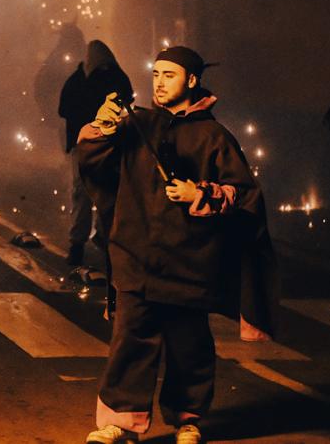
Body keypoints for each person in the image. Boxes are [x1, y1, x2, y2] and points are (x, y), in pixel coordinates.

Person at [78, 46, 277, 444]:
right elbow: (93, 163)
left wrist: (198, 193)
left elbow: (245, 195)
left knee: (189, 345)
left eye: (169, 75)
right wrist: (101, 130)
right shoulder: (137, 125)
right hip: (136, 256)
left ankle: (188, 419)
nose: (159, 82)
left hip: (190, 261)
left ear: (191, 80)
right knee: (130, 340)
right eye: (155, 74)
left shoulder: (214, 136)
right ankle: (120, 421)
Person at [59, 40, 134, 270]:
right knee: (94, 192)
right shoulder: (87, 80)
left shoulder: (79, 79)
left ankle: (86, 243)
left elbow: (63, 110)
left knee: (90, 192)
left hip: (96, 144)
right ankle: (88, 243)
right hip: (97, 144)